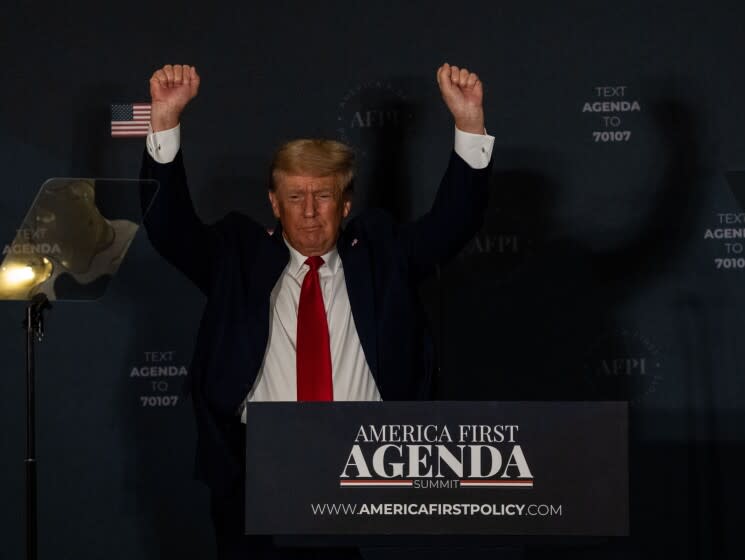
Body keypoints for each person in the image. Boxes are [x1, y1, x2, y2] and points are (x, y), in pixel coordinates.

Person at [140, 63, 495, 559]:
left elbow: (452, 224)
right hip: (257, 475)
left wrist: (469, 124)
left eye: (323, 196)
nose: (309, 211)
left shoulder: (382, 253)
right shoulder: (235, 259)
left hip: (373, 472)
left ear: (345, 204)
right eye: (295, 196)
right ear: (274, 202)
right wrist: (164, 122)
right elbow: (169, 228)